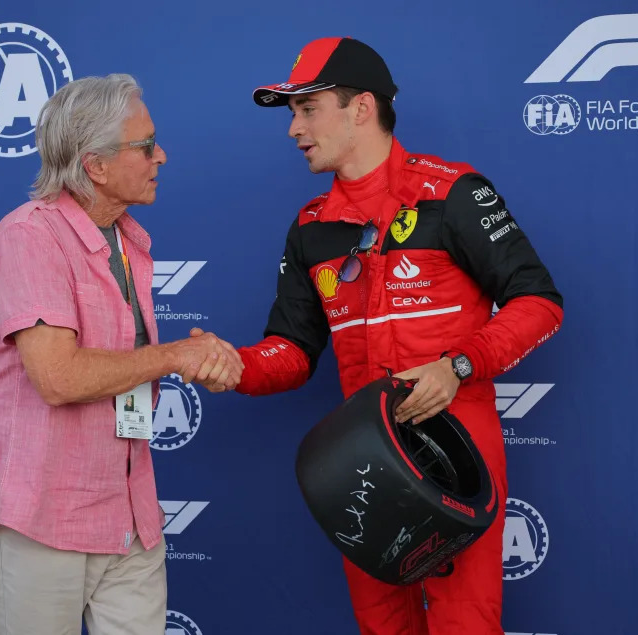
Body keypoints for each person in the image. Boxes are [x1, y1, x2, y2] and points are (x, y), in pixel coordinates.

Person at [233, 37, 564, 634]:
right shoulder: (311, 229)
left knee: (466, 625)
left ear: (361, 107)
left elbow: (538, 302)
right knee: (384, 628)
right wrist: (230, 365)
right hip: (361, 463)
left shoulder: (454, 193)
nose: (294, 130)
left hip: (460, 453)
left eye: (308, 110)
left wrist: (457, 365)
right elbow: (290, 352)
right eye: (291, 114)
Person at [0, 74, 243, 635]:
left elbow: (128, 363)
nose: (160, 156)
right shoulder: (29, 237)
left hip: (129, 515)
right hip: (40, 519)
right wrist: (175, 358)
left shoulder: (128, 240)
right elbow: (59, 377)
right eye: (145, 146)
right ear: (94, 164)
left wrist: (196, 359)